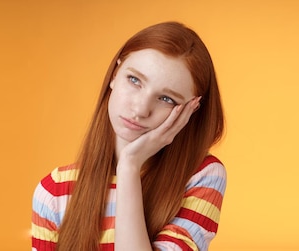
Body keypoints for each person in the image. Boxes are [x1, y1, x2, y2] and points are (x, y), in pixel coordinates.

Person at [31, 21, 227, 251]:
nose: (141, 109)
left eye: (167, 99)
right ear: (115, 74)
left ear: (191, 110)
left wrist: (129, 167)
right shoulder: (55, 191)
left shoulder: (202, 176)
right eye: (134, 80)